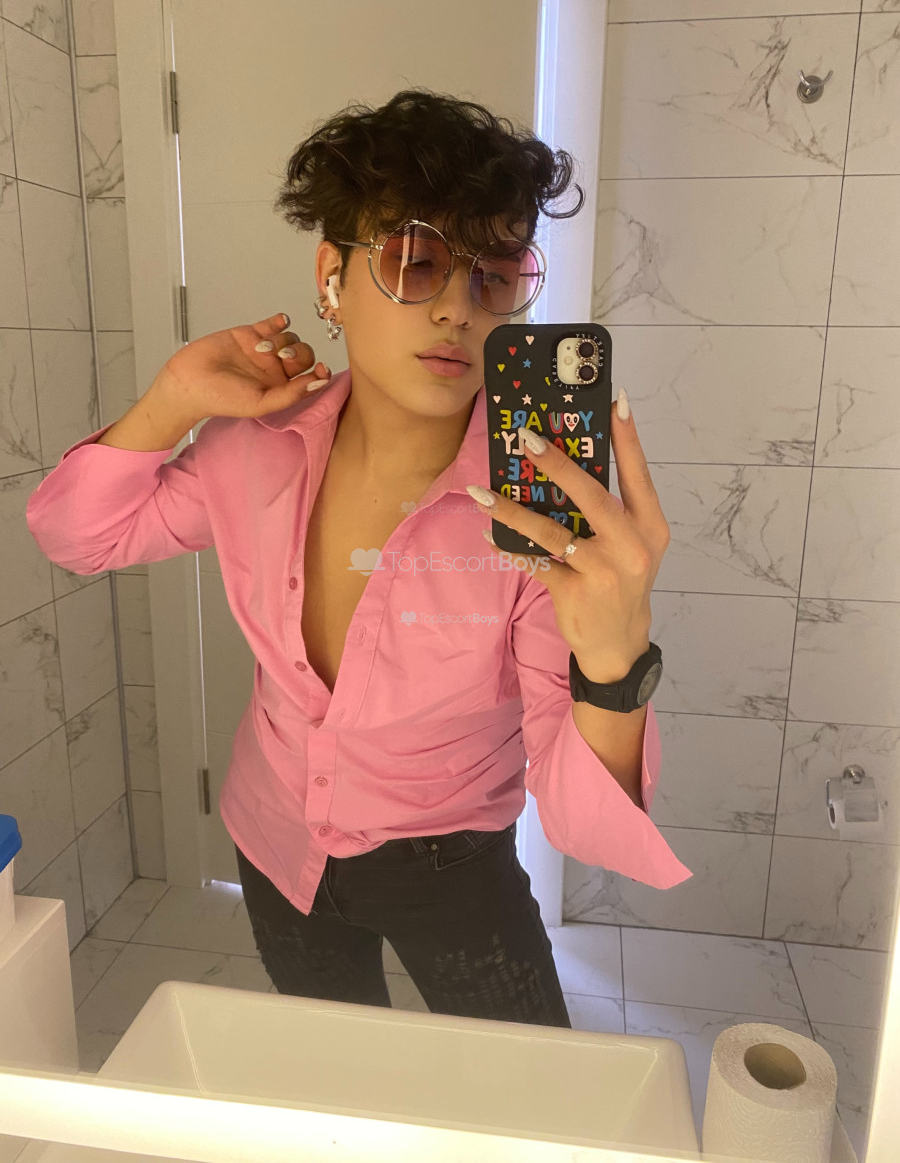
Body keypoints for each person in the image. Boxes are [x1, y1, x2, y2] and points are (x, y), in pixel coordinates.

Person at [26, 89, 691, 1031]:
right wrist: (172, 398)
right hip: (275, 840)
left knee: (523, 1082)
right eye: (416, 262)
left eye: (495, 273)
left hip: (454, 868)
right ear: (332, 277)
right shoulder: (255, 447)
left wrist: (615, 662)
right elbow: (79, 536)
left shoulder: (537, 518)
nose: (458, 308)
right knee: (333, 1068)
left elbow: (586, 823)